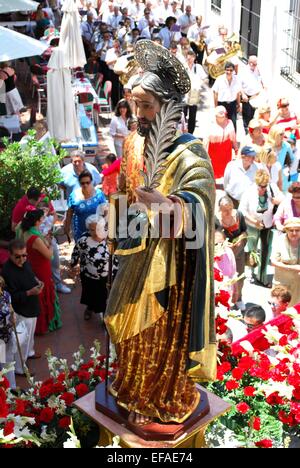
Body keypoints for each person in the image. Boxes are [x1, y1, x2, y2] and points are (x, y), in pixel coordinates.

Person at [105, 40, 216, 426]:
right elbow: (123, 191)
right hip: (136, 255)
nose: (138, 114)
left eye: (146, 106)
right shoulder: (133, 141)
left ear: (168, 107)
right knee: (119, 321)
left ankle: (154, 395)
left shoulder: (191, 154)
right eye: (135, 104)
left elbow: (200, 209)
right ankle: (131, 386)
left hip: (169, 269)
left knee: (154, 334)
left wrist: (167, 206)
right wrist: (113, 228)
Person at [19, 210, 62, 335]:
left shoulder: (26, 232)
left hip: (33, 266)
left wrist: (46, 241)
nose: (43, 220)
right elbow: (49, 255)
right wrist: (51, 245)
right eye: (42, 219)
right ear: (37, 221)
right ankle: (45, 325)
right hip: (41, 269)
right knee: (44, 295)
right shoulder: (35, 238)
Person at [2, 240, 42, 374]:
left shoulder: (25, 262)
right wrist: (30, 292)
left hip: (31, 305)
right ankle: (20, 368)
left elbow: (30, 274)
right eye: (17, 256)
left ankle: (30, 352)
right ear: (10, 255)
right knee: (21, 341)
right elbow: (11, 296)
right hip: (22, 310)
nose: (22, 259)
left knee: (30, 336)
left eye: (24, 255)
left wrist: (37, 281)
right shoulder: (7, 271)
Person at [239, 169, 283, 287]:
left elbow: (283, 199)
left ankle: (262, 277)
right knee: (252, 250)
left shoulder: (272, 188)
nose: (263, 189)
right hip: (252, 225)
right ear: (256, 183)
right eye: (261, 187)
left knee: (265, 251)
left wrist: (277, 200)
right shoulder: (249, 191)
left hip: (267, 225)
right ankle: (251, 272)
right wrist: (254, 221)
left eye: (265, 186)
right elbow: (242, 210)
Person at [71, 214, 118, 321]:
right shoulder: (84, 239)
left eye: (98, 229)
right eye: (91, 230)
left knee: (106, 297)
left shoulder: (110, 238)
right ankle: (89, 308)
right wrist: (73, 264)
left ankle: (106, 317)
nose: (95, 232)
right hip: (89, 274)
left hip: (108, 275)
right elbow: (76, 252)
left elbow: (118, 254)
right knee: (90, 294)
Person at [215, 196, 247, 311]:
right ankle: (224, 300)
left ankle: (239, 298)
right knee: (224, 278)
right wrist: (224, 244)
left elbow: (244, 231)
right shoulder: (215, 219)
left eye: (230, 209)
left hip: (238, 252)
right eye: (225, 210)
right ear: (220, 209)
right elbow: (214, 237)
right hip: (224, 255)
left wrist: (240, 240)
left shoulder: (238, 215)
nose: (228, 213)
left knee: (239, 276)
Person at [37, 199, 71, 294]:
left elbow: (55, 217)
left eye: (45, 209)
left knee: (55, 262)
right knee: (43, 265)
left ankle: (58, 284)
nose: (43, 211)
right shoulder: (35, 220)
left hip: (50, 241)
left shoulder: (48, 219)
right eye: (41, 209)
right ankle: (46, 288)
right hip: (39, 243)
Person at [64, 170, 106, 242]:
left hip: (97, 233)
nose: (85, 185)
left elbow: (105, 212)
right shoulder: (74, 196)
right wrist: (67, 230)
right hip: (80, 233)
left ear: (91, 182)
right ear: (79, 183)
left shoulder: (98, 194)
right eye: (82, 183)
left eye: (87, 182)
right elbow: (69, 214)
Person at [271, 218, 300, 306]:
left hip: (297, 284)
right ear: (286, 230)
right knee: (278, 308)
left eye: (297, 230)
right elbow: (273, 261)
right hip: (281, 282)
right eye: (291, 230)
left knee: (293, 309)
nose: (294, 233)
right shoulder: (279, 240)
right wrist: (293, 267)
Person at [207, 106, 238, 180]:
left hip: (226, 151)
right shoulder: (211, 124)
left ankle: (226, 184)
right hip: (214, 150)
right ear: (215, 115)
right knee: (213, 169)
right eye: (220, 113)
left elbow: (233, 137)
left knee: (226, 169)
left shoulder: (230, 123)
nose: (222, 114)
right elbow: (206, 140)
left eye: (223, 112)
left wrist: (236, 148)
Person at [212, 61, 241, 132]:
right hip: (222, 104)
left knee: (233, 124)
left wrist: (238, 104)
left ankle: (232, 141)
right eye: (227, 70)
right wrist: (216, 107)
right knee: (221, 124)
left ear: (233, 71)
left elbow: (238, 93)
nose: (229, 72)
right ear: (224, 70)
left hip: (232, 104)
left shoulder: (237, 79)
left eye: (231, 70)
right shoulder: (219, 79)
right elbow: (215, 93)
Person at [239, 55, 264, 133]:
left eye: (256, 64)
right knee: (246, 114)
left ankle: (251, 129)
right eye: (253, 64)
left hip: (255, 96)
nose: (255, 66)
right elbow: (239, 84)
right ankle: (246, 130)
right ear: (249, 63)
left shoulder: (257, 69)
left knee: (252, 114)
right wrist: (243, 94)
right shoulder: (243, 71)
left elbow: (259, 78)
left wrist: (263, 85)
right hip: (247, 96)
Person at [268, 125, 294, 193]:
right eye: (281, 134)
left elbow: (292, 161)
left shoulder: (287, 146)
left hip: (284, 180)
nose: (283, 136)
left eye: (283, 133)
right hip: (270, 180)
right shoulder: (268, 146)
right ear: (274, 134)